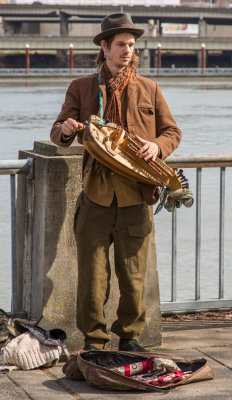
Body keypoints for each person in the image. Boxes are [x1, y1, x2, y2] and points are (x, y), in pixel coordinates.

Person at [50, 13, 181, 352]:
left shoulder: (149, 89)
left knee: (133, 277)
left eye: (132, 45)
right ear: (105, 47)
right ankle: (94, 342)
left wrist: (157, 146)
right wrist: (65, 130)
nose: (128, 50)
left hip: (137, 197)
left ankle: (130, 337)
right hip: (95, 197)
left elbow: (172, 132)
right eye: (121, 44)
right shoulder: (81, 87)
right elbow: (58, 129)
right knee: (92, 279)